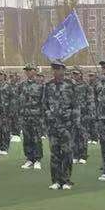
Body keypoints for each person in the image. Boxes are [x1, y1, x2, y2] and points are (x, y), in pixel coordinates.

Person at [42, 61, 79, 190]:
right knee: (54, 153)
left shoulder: (71, 85)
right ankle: (56, 180)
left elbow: (76, 105)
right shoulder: (48, 85)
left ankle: (66, 180)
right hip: (53, 125)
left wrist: (75, 122)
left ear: (63, 70)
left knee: (67, 152)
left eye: (58, 69)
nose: (56, 71)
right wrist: (47, 116)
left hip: (67, 125)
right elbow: (44, 104)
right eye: (54, 69)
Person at [15, 64, 45, 171]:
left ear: (35, 71)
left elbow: (43, 102)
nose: (27, 72)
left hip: (36, 116)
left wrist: (42, 116)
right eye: (26, 70)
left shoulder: (41, 86)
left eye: (29, 70)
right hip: (25, 116)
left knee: (36, 138)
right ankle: (29, 158)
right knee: (27, 138)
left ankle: (37, 160)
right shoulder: (22, 85)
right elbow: (18, 100)